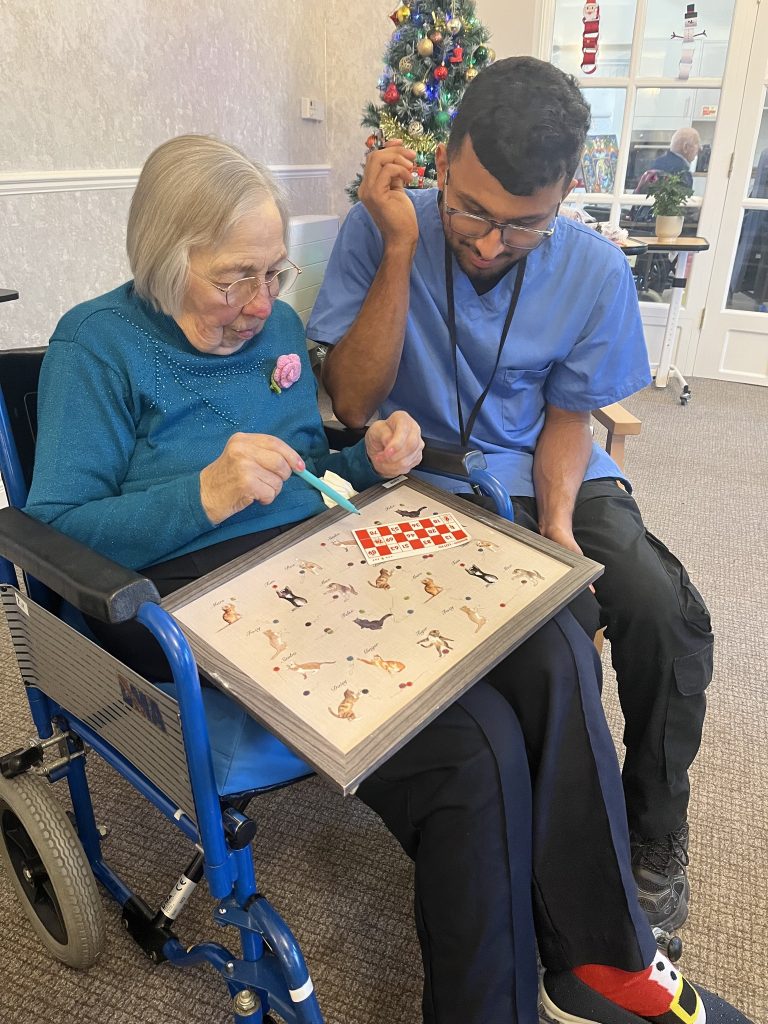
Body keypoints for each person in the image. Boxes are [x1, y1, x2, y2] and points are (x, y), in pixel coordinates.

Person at [23, 135, 746, 1024]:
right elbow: (52, 527)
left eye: (272, 275)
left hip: (317, 557)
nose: (258, 305)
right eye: (231, 279)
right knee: (472, 742)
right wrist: (199, 494)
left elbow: (307, 469)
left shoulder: (280, 331)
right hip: (177, 589)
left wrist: (364, 459)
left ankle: (600, 959)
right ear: (163, 258)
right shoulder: (97, 344)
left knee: (552, 645)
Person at [309, 57, 715, 942]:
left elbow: (570, 418)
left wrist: (561, 532)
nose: (491, 244)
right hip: (428, 484)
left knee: (659, 609)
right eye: (472, 213)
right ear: (442, 160)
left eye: (524, 227)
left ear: (569, 191)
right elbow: (347, 401)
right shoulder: (384, 228)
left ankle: (654, 832)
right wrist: (406, 246)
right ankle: (542, 854)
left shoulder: (596, 271)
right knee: (552, 642)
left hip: (549, 471)